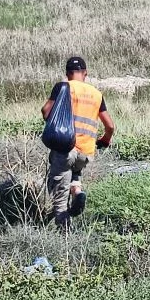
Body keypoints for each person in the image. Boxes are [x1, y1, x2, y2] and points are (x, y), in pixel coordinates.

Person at [41, 57, 115, 230]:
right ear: (85, 74)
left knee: (60, 191)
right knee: (75, 175)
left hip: (65, 148)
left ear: (67, 74)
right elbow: (110, 125)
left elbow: (45, 111)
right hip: (86, 151)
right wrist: (105, 139)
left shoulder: (63, 87)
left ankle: (64, 231)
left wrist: (54, 124)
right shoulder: (97, 94)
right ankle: (78, 193)